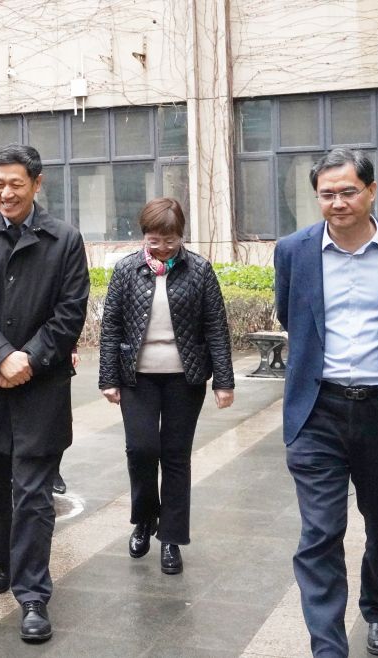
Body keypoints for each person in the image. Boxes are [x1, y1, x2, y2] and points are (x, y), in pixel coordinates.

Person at [274, 148, 378, 657]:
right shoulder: (293, 251)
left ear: (371, 191)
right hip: (317, 409)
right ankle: (327, 646)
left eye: (348, 192)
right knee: (320, 532)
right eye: (327, 194)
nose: (337, 202)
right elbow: (289, 313)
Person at [0, 144, 90, 643]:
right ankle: (3, 559)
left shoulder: (64, 240)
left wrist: (27, 359)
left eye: (16, 184)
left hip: (40, 388)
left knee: (33, 493)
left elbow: (70, 312)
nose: (6, 193)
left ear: (37, 183)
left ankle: (33, 595)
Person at [98, 197, 235, 575]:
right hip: (137, 377)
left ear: (181, 236)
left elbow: (216, 328)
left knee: (176, 456)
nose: (162, 247)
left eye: (170, 240)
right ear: (144, 235)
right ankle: (145, 518)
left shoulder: (200, 270)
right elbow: (111, 327)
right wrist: (108, 378)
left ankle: (172, 537)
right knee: (141, 449)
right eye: (154, 240)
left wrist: (223, 381)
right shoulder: (126, 270)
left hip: (184, 378)